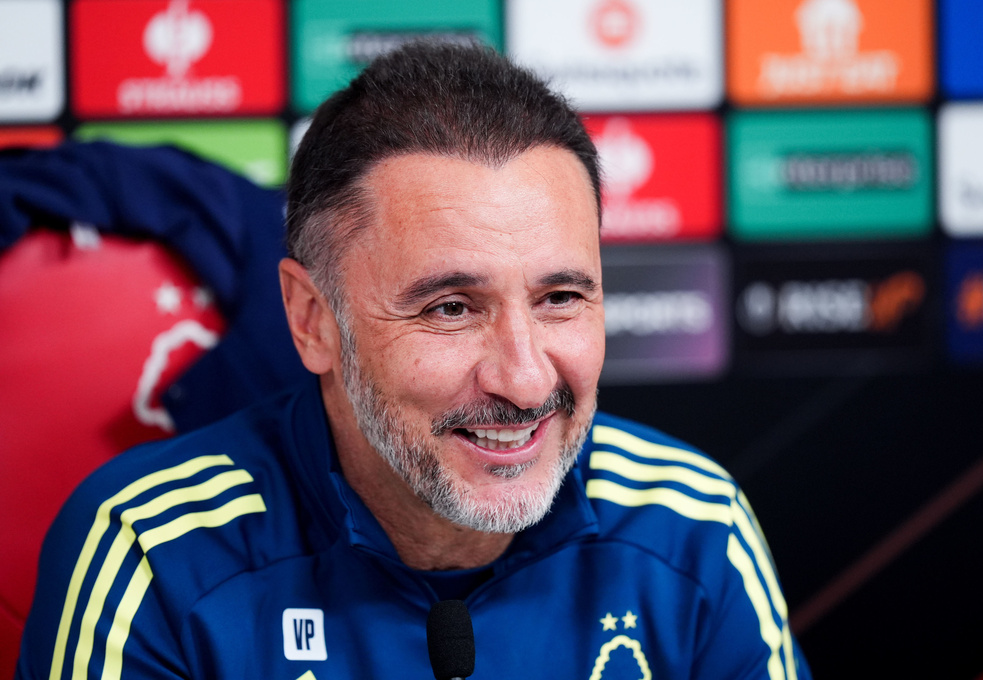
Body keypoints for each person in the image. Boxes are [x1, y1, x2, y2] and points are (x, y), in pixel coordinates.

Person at [16, 42, 811, 680]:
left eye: (561, 298)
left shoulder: (693, 526)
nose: (525, 379)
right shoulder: (150, 555)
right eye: (450, 308)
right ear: (311, 320)